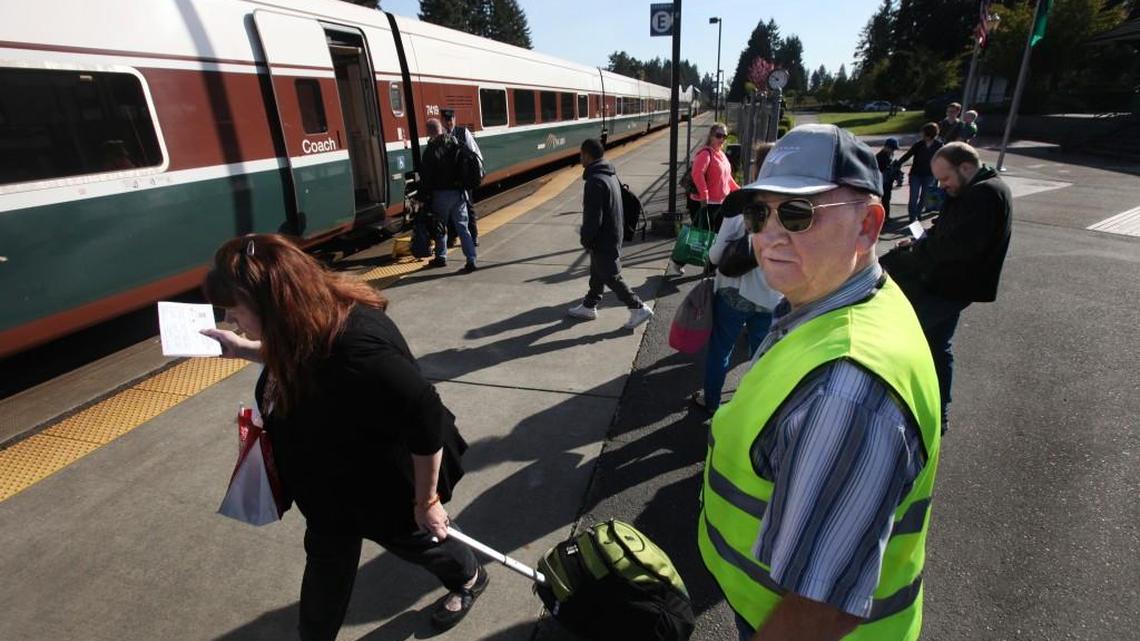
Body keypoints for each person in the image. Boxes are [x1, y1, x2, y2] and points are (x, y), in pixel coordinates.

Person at [698, 123, 942, 641]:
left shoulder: (848, 391)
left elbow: (818, 612)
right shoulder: (850, 298)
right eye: (759, 213)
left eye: (798, 213)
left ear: (868, 226)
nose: (768, 235)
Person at [200, 234, 487, 639]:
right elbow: (304, 356)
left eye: (233, 311)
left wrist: (428, 501)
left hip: (381, 489)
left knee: (419, 540)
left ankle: (470, 576)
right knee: (325, 573)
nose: (230, 321)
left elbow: (425, 411)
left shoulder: (356, 348)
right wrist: (244, 350)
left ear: (273, 306)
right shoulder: (305, 325)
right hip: (329, 493)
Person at [880, 142, 1012, 430]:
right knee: (937, 345)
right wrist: (920, 239)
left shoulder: (984, 195)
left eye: (945, 178)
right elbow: (948, 232)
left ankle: (922, 408)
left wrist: (909, 255)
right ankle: (938, 410)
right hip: (951, 285)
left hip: (948, 286)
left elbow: (956, 247)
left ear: (965, 167)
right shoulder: (977, 189)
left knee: (911, 339)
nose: (942, 185)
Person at [691, 151, 781, 414]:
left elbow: (716, 255)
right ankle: (755, 406)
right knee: (760, 355)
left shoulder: (741, 206)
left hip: (734, 293)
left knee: (720, 350)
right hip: (771, 297)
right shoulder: (794, 209)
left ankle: (711, 404)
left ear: (757, 169)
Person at [567, 138, 654, 329]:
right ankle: (590, 305)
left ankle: (638, 308)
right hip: (614, 231)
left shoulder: (595, 181)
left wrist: (586, 238)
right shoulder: (609, 174)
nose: (580, 158)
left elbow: (593, 217)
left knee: (611, 275)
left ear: (587, 156)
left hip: (604, 237)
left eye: (581, 154)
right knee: (598, 270)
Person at [667, 122, 740, 276]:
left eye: (724, 136)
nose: (722, 139)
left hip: (720, 202)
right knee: (700, 236)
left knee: (717, 237)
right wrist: (704, 195)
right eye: (718, 136)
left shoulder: (721, 154)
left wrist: (740, 191)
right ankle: (678, 261)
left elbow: (727, 179)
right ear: (711, 136)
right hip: (704, 203)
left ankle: (710, 268)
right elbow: (697, 174)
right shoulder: (705, 154)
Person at [421, 118, 477, 272]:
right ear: (441, 129)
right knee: (463, 227)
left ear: (429, 132)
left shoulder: (431, 150)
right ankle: (471, 259)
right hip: (459, 193)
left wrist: (425, 196)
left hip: (441, 194)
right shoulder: (455, 142)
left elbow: (426, 176)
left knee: (440, 226)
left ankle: (441, 257)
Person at [441, 108, 482, 247]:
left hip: (464, 179)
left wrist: (478, 173)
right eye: (446, 120)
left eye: (451, 119)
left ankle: (474, 235)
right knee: (450, 211)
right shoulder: (440, 135)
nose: (449, 122)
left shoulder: (463, 133)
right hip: (448, 180)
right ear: (442, 121)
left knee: (469, 207)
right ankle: (452, 237)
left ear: (455, 119)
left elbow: (475, 152)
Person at [895, 122, 943, 223]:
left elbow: (942, 159)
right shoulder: (919, 145)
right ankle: (912, 218)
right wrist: (898, 163)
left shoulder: (939, 146)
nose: (921, 135)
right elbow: (908, 155)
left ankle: (918, 213)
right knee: (913, 197)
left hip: (930, 175)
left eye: (923, 133)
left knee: (924, 196)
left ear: (929, 134)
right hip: (915, 174)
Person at [875, 137, 900, 215]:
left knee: (887, 198)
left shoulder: (890, 155)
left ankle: (886, 215)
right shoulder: (879, 157)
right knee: (882, 199)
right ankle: (883, 216)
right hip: (881, 181)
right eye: (892, 149)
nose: (893, 151)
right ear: (886, 147)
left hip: (888, 181)